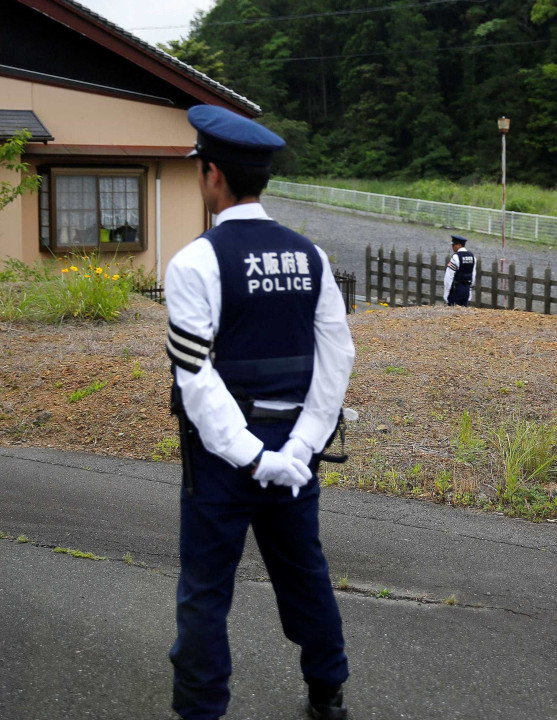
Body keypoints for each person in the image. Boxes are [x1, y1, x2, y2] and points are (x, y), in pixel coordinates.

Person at [164, 104, 355, 720]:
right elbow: (337, 358)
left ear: (212, 175)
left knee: (205, 593)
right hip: (297, 453)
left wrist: (254, 457)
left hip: (223, 460)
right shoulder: (311, 256)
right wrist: (296, 452)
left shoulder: (195, 262)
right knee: (305, 575)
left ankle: (201, 710)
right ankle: (328, 696)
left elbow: (195, 375)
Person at [442, 234, 477, 306]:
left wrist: (446, 294)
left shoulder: (456, 257)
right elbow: (473, 274)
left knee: (453, 311)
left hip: (456, 288)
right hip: (467, 288)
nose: (452, 247)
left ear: (459, 245)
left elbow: (448, 277)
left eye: (453, 245)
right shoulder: (472, 256)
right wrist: (470, 289)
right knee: (463, 313)